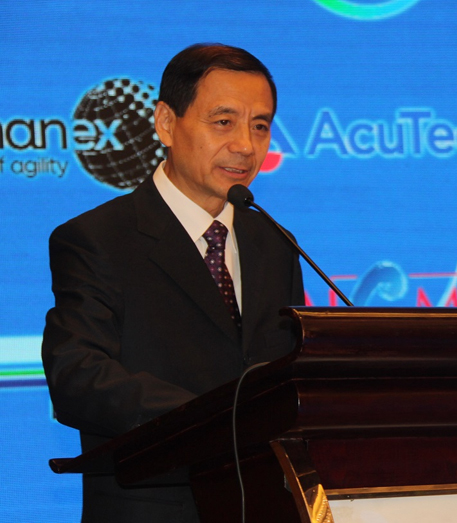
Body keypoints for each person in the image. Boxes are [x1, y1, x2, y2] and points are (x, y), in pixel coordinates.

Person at [42, 43, 305, 523]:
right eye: (223, 122)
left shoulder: (274, 243)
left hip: (265, 505)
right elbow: (77, 376)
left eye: (260, 126)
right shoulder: (98, 238)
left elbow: (290, 370)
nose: (246, 146)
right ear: (165, 123)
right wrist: (215, 418)